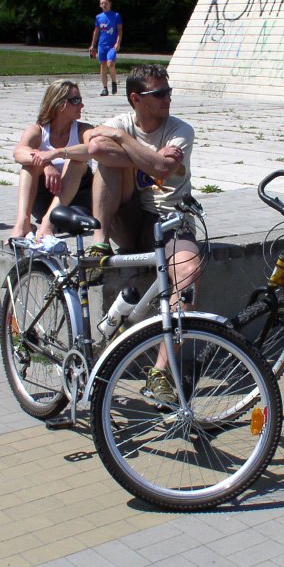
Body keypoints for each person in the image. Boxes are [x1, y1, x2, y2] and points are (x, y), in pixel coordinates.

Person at [86, 65, 200, 400]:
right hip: (130, 215)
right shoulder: (122, 122)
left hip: (172, 219)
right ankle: (99, 243)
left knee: (189, 273)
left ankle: (160, 373)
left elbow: (164, 167)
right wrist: (143, 154)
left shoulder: (180, 130)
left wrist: (125, 144)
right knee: (106, 164)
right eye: (159, 93)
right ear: (136, 99)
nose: (168, 98)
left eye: (169, 91)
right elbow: (93, 147)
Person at [9, 79, 94, 240]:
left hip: (78, 201)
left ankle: (47, 225)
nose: (81, 105)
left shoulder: (83, 130)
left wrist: (57, 153)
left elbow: (92, 149)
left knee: (75, 161)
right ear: (59, 104)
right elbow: (18, 153)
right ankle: (22, 223)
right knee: (30, 164)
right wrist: (46, 164)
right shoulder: (38, 131)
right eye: (76, 100)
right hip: (45, 200)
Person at [88, 0, 123, 96]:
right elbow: (96, 31)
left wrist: (118, 43)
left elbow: (120, 31)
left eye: (106, 3)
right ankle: (104, 88)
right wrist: (93, 45)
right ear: (100, 5)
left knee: (110, 64)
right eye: (102, 3)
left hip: (112, 45)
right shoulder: (98, 17)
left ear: (110, 4)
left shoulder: (116, 16)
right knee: (103, 65)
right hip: (102, 45)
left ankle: (114, 82)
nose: (104, 5)